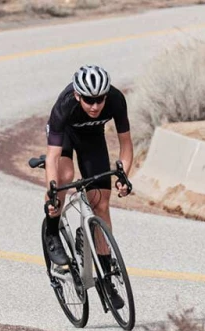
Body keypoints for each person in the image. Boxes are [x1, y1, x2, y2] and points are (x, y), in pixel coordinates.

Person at [41, 65, 133, 308]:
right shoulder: (64, 106)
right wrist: (52, 191)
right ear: (78, 96)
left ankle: (106, 280)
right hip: (66, 137)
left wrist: (123, 177)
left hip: (93, 139)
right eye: (89, 100)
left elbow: (126, 145)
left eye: (99, 100)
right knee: (66, 174)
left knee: (101, 204)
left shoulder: (116, 100)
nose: (95, 106)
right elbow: (52, 157)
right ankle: (52, 233)